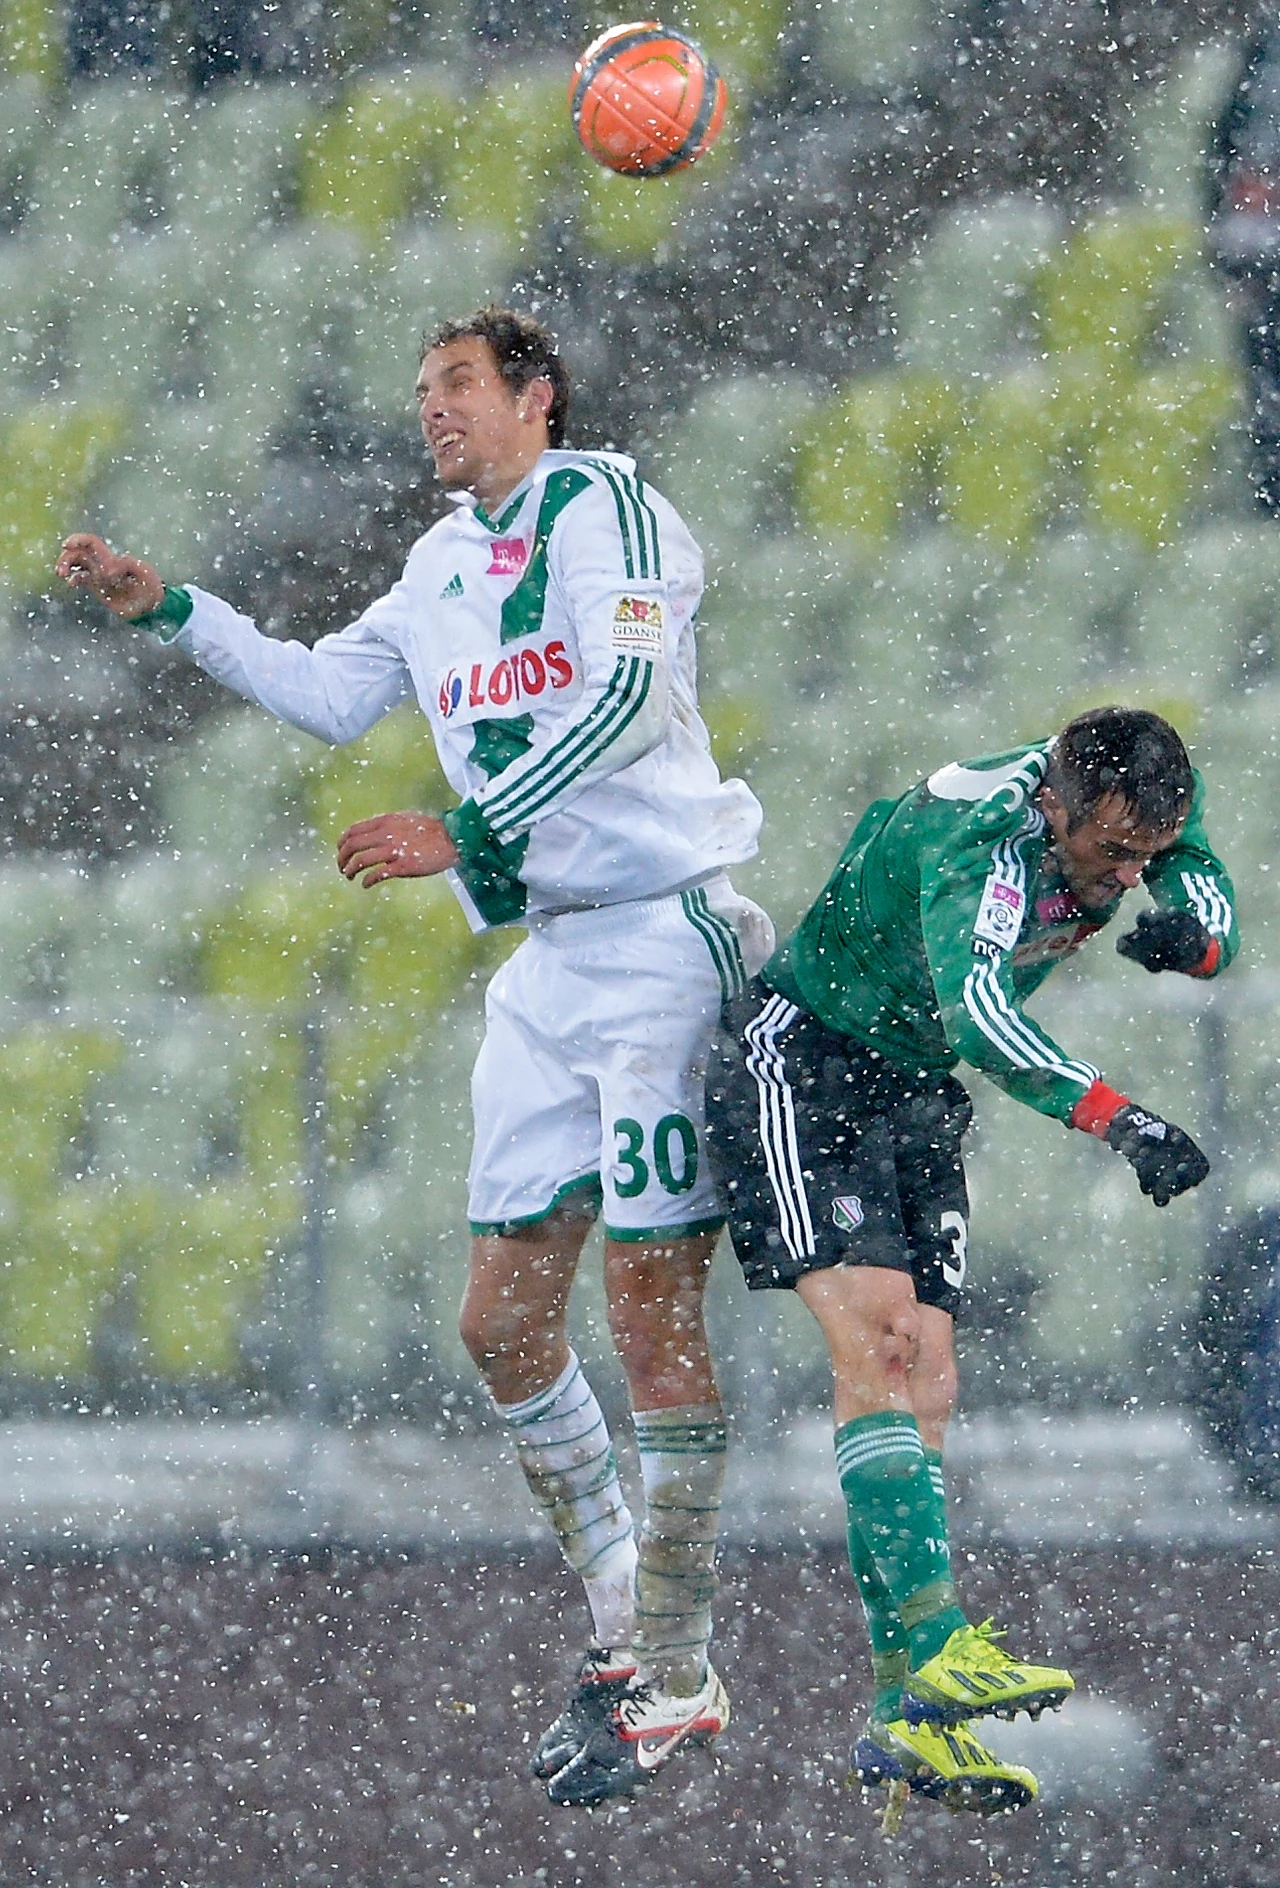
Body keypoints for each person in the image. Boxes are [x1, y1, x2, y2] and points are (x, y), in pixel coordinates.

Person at [57, 305, 774, 1808]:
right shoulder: (440, 566)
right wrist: (161, 605)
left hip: (659, 936)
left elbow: (632, 700)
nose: (432, 410)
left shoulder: (609, 508)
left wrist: (467, 826)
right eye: (422, 391)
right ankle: (629, 1637)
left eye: (458, 383)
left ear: (538, 396)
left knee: (647, 1307)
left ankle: (683, 1661)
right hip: (549, 966)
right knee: (504, 1322)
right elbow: (326, 692)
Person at [705, 707, 1236, 1820]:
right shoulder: (973, 838)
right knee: (879, 1342)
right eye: (1110, 854)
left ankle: (903, 1719)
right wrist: (1118, 1119)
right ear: (1051, 802)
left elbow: (1198, 874)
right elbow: (983, 1015)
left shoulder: (1125, 816)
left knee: (928, 1382)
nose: (1126, 870)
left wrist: (1193, 933)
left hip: (909, 1088)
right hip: (808, 1061)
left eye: (1142, 848)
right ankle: (939, 1639)